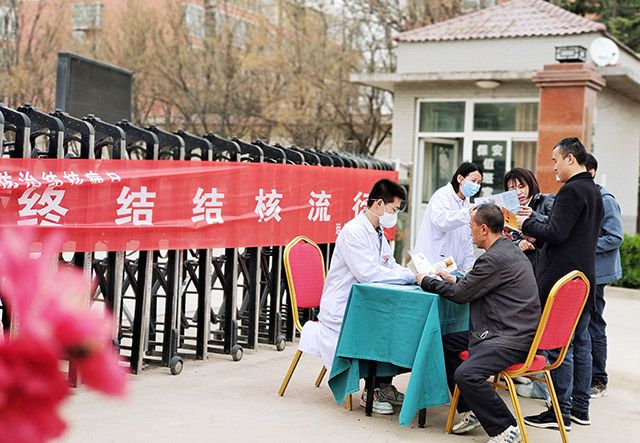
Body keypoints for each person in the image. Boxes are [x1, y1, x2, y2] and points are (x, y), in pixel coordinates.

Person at [417, 204, 540, 443]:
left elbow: (461, 295)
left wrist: (426, 281)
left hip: (509, 337)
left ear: (484, 229)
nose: (469, 231)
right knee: (447, 343)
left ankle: (506, 428)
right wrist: (454, 279)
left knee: (467, 374)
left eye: (471, 226)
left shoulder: (493, 258)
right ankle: (473, 408)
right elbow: (475, 284)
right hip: (511, 329)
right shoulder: (507, 250)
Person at [298, 178, 415, 415]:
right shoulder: (354, 232)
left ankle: (384, 384)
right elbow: (367, 273)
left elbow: (388, 265)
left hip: (364, 303)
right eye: (393, 209)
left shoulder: (378, 232)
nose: (394, 215)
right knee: (381, 329)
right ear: (379, 204)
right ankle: (371, 391)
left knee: (396, 324)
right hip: (342, 307)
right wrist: (409, 277)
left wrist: (412, 273)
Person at [517, 137, 603, 431]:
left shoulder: (571, 190)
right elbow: (570, 234)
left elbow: (556, 233)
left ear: (570, 158)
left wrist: (524, 224)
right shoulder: (592, 190)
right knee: (579, 344)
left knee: (558, 349)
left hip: (562, 284)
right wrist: (538, 227)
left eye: (555, 160)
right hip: (581, 281)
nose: (553, 166)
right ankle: (579, 409)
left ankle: (559, 413)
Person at [584, 153, 624, 398]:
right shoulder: (585, 196)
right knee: (585, 325)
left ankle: (599, 379)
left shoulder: (605, 200)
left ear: (591, 172)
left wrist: (583, 245)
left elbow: (615, 237)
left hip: (598, 274)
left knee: (594, 324)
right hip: (586, 271)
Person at [414, 162, 483, 272]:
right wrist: (467, 213)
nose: (476, 186)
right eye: (473, 181)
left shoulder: (466, 204)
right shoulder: (442, 195)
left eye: (479, 183)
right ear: (460, 178)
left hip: (450, 268)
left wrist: (470, 267)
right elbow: (442, 221)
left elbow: (466, 242)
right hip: (431, 262)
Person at [503, 168, 555, 271]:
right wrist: (518, 242)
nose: (518, 192)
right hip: (520, 266)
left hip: (546, 264)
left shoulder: (547, 200)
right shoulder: (508, 210)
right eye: (512, 189)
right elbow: (507, 239)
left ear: (531, 185)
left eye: (521, 186)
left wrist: (534, 215)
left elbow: (557, 225)